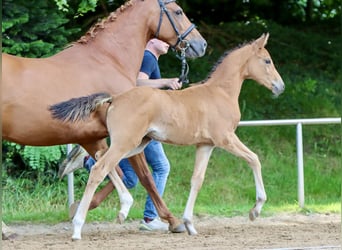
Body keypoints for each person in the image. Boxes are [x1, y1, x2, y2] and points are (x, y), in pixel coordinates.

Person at [62, 38, 183, 231]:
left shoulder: (150, 58)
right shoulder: (148, 57)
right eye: (163, 38)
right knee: (162, 166)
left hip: (139, 118)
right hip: (144, 121)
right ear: (151, 40)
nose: (169, 42)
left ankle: (90, 162)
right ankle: (151, 218)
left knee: (130, 177)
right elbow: (136, 84)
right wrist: (165, 82)